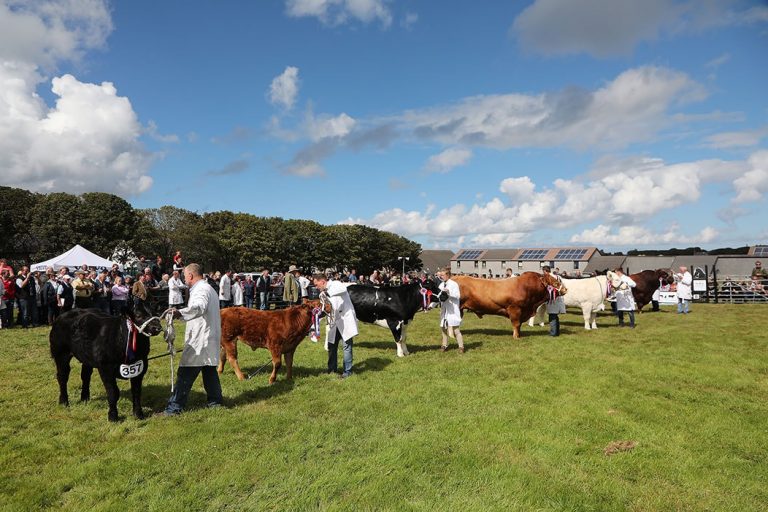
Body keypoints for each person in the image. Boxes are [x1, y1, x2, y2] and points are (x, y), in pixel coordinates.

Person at [162, 263, 223, 415]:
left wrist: (179, 313)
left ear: (190, 275)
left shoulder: (201, 290)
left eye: (184, 276)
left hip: (200, 340)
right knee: (209, 371)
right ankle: (215, 402)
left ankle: (174, 408)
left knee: (185, 373)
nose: (184, 279)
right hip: (210, 336)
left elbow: (199, 307)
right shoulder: (209, 288)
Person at [313, 272, 358, 378]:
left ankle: (347, 372)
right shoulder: (322, 294)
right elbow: (325, 309)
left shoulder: (336, 284)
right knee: (331, 345)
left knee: (346, 346)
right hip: (334, 321)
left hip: (345, 319)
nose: (316, 287)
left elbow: (343, 290)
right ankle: (332, 369)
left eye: (316, 284)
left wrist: (327, 293)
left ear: (322, 281)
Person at [436, 267, 464, 352]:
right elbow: (439, 297)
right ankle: (444, 345)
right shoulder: (441, 285)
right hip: (444, 310)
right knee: (444, 329)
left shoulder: (453, 284)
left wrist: (449, 293)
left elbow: (458, 296)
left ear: (447, 275)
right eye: (440, 275)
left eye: (442, 275)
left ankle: (461, 347)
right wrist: (431, 305)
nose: (441, 277)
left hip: (452, 310)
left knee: (456, 330)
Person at [542, 266, 565, 337]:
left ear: (545, 271)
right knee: (555, 316)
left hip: (553, 298)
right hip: (558, 298)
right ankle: (557, 332)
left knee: (552, 316)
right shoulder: (558, 276)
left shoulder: (549, 277)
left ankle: (553, 333)